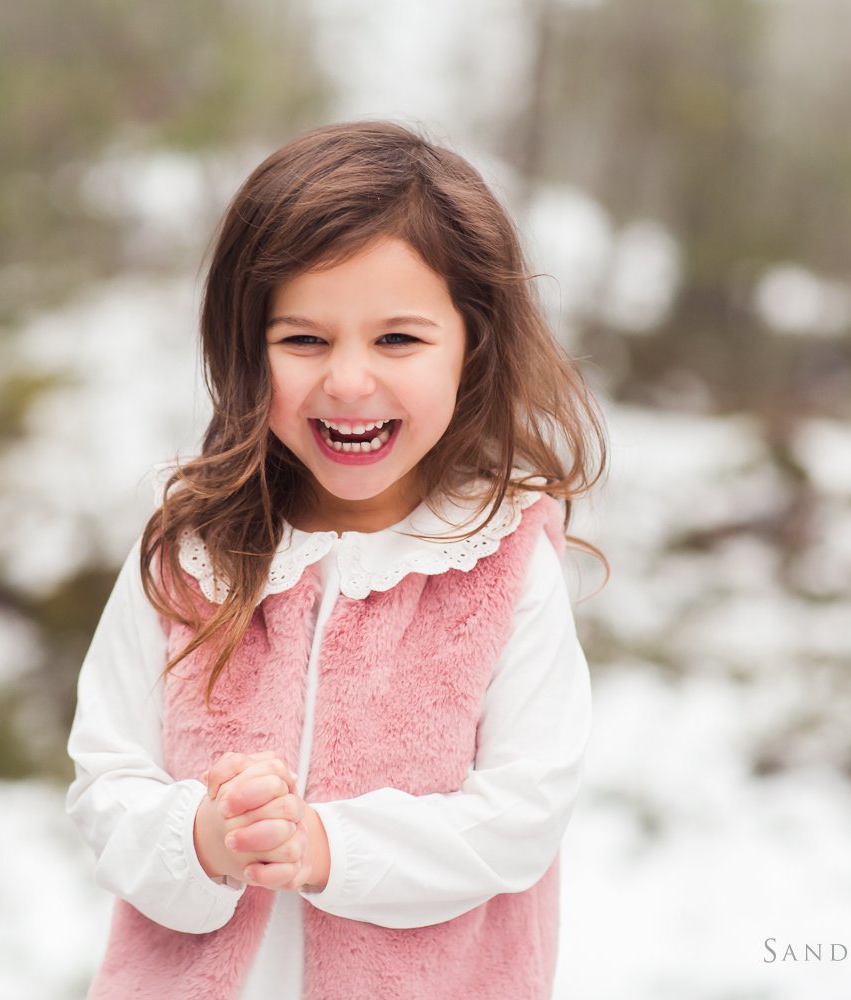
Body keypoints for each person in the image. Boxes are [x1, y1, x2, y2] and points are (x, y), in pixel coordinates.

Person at [66, 119, 606, 1000]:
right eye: (305, 340)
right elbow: (106, 781)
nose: (349, 382)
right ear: (247, 348)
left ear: (473, 345)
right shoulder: (190, 554)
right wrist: (199, 838)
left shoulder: (501, 564)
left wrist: (328, 848)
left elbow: (522, 814)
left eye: (398, 340)